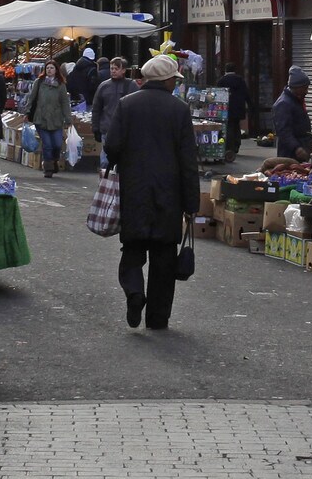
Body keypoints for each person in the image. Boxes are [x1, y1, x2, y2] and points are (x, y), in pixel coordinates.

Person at [102, 55, 199, 331]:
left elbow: (111, 146)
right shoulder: (179, 110)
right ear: (166, 80)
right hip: (169, 195)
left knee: (132, 249)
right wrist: (191, 203)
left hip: (134, 190)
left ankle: (134, 291)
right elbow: (188, 161)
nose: (175, 84)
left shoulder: (127, 104)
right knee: (164, 258)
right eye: (174, 79)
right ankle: (157, 319)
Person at [24, 59, 73, 177]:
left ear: (56, 70)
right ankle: (48, 168)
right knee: (47, 144)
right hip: (41, 118)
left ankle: (54, 160)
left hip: (56, 119)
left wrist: (68, 119)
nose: (49, 70)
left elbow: (65, 103)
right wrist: (27, 112)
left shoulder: (61, 85)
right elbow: (32, 98)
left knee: (57, 144)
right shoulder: (39, 82)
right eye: (47, 68)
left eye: (52, 68)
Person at [91, 56, 139, 163]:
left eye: (116, 69)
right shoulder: (103, 86)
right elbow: (96, 108)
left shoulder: (132, 85)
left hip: (125, 130)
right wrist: (95, 128)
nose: (113, 71)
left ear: (123, 70)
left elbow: (137, 107)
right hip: (107, 129)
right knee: (105, 161)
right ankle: (105, 173)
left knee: (124, 160)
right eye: (111, 68)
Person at [270, 65, 312, 163]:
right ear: (297, 87)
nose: (307, 91)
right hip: (290, 154)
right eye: (305, 88)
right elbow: (283, 132)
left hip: (301, 150)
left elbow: (301, 126)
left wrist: (311, 141)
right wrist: (297, 148)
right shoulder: (284, 104)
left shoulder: (296, 101)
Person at [218, 67, 251, 160]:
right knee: (236, 126)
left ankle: (230, 147)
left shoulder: (222, 80)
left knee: (229, 127)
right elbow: (246, 93)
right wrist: (250, 105)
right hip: (239, 107)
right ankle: (236, 145)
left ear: (225, 70)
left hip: (227, 107)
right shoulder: (240, 80)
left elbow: (218, 93)